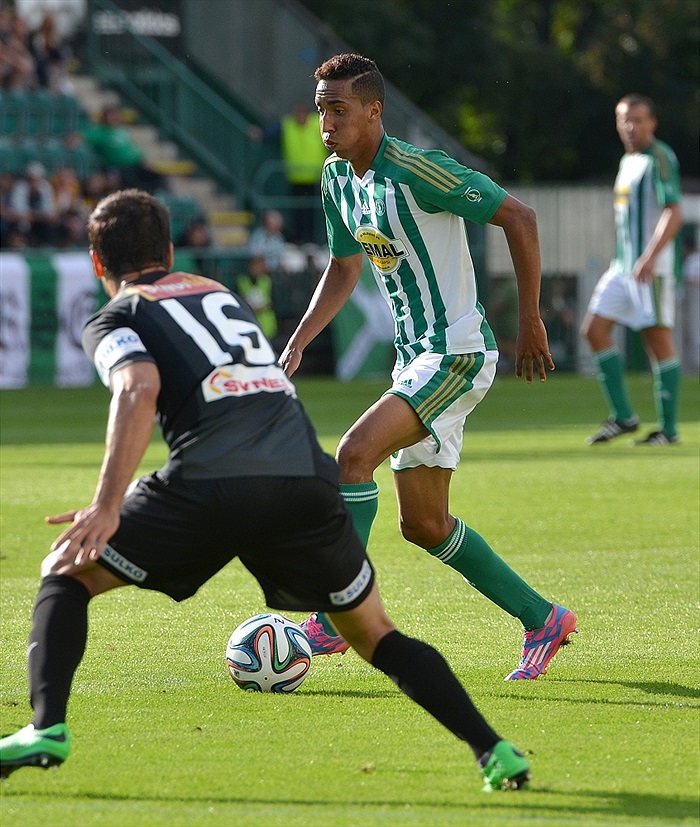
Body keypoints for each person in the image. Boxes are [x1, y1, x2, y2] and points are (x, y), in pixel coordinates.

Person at [0, 189, 534, 792]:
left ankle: (46, 726)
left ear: (98, 265)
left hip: (209, 481)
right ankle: (495, 751)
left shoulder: (117, 316)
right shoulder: (215, 292)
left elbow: (136, 390)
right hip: (303, 479)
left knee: (66, 573)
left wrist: (104, 505)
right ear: (171, 251)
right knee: (375, 634)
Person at [279, 54, 576, 681]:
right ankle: (543, 618)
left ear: (374, 110)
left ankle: (335, 619)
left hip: (458, 352)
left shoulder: (418, 171)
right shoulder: (337, 177)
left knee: (353, 454)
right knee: (424, 523)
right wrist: (302, 338)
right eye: (321, 109)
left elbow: (518, 216)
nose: (326, 122)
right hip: (415, 361)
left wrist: (531, 319)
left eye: (339, 109)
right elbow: (344, 266)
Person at [580, 94, 683, 446]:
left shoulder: (660, 158)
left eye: (638, 120)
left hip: (649, 269)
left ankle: (668, 431)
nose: (631, 126)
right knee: (593, 331)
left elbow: (674, 211)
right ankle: (624, 417)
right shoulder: (628, 160)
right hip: (622, 266)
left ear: (652, 123)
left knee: (657, 342)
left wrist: (651, 256)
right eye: (625, 119)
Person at [250, 103, 328, 243]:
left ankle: (312, 241)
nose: (299, 117)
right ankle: (300, 240)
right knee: (298, 212)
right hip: (295, 177)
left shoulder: (318, 123)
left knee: (313, 213)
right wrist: (260, 133)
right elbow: (272, 132)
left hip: (316, 177)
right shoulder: (288, 125)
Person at [83, 104, 167, 194]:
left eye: (115, 115)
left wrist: (140, 159)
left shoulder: (122, 132)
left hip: (135, 165)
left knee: (157, 176)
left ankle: (164, 197)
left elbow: (131, 149)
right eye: (110, 115)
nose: (113, 118)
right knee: (131, 180)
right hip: (118, 167)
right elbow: (80, 138)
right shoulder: (99, 132)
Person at [237, 253, 278, 342]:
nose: (256, 268)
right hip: (248, 323)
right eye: (254, 265)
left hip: (267, 325)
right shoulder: (242, 281)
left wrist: (264, 306)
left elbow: (274, 301)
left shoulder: (268, 280)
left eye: (259, 265)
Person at [680, 234, 700, 375]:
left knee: (695, 330)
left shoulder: (695, 260)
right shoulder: (687, 260)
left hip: (695, 298)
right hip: (687, 300)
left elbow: (693, 280)